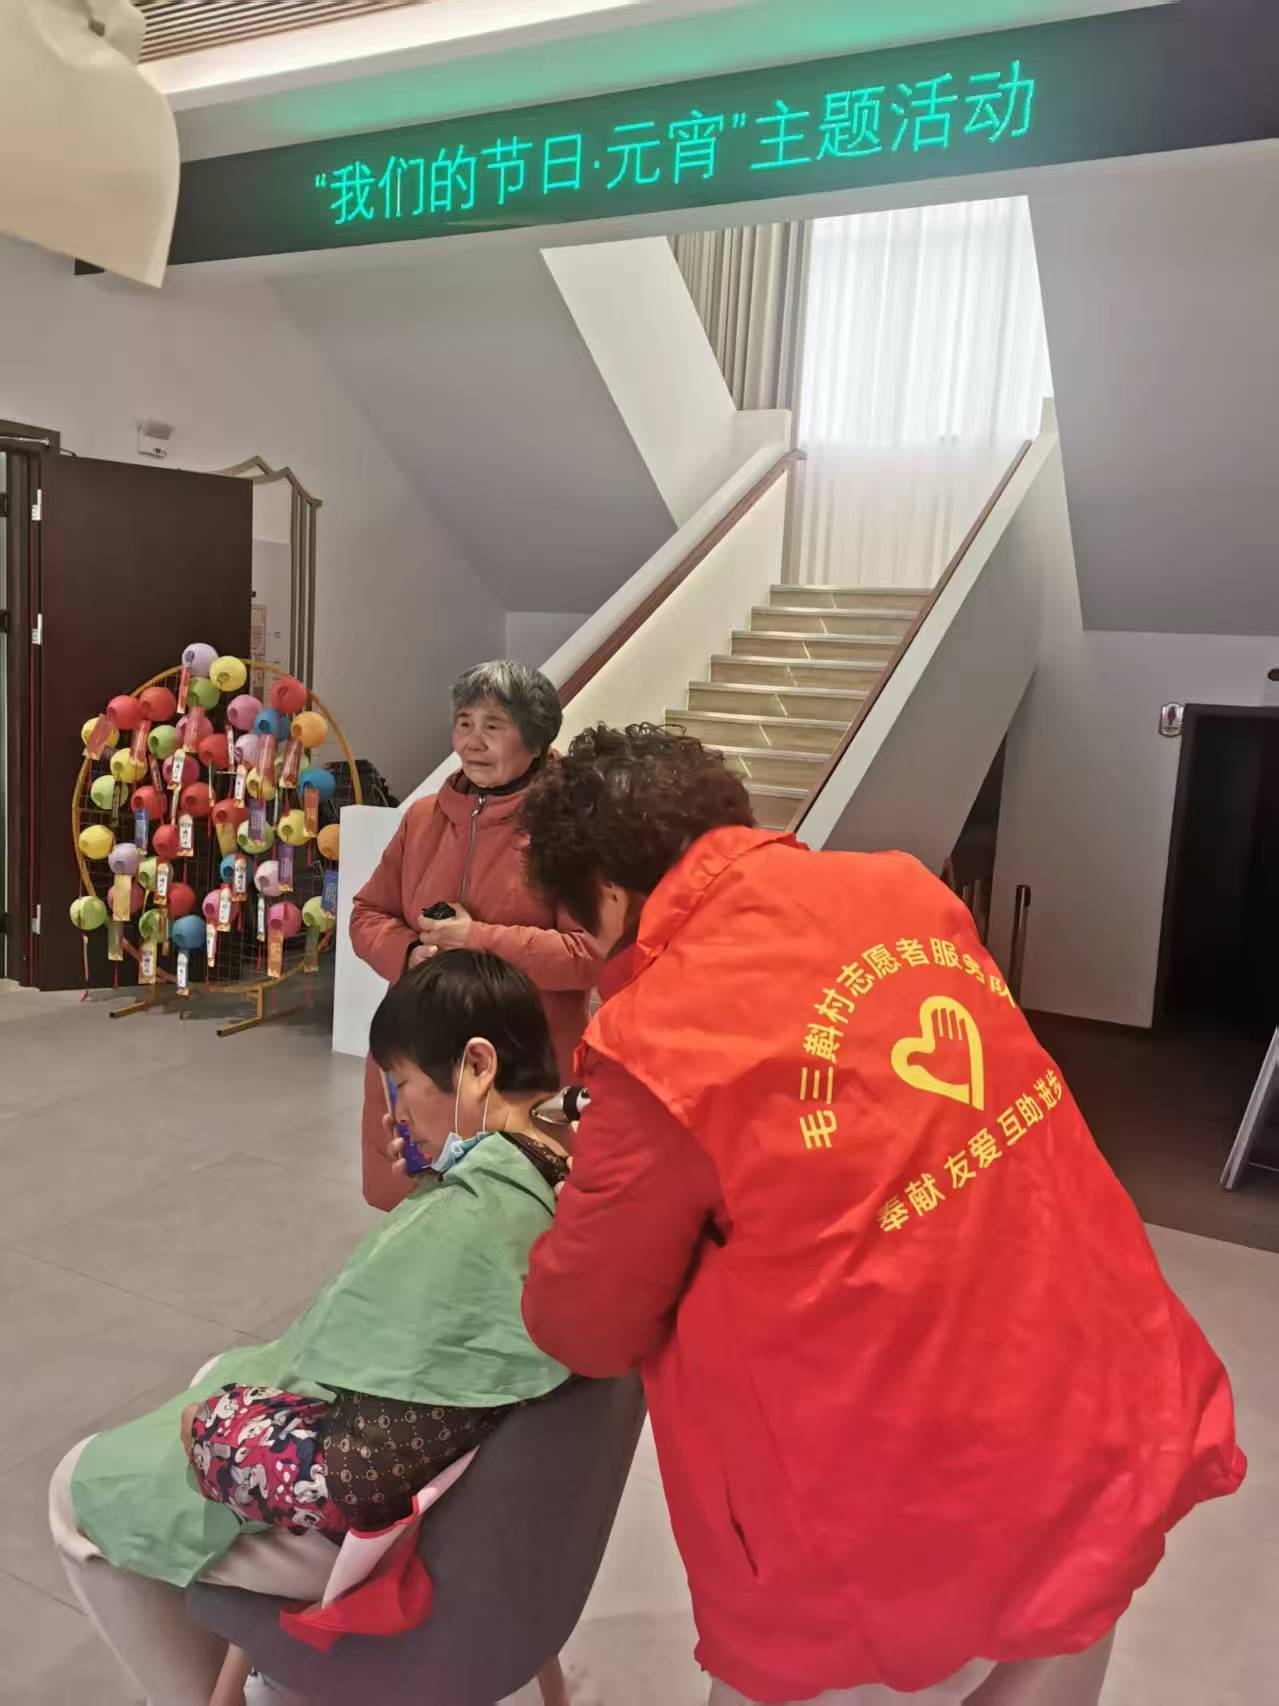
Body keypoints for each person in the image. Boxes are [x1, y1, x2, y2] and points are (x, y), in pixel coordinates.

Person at [514, 723, 1246, 1706]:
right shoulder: (902, 891)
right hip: (1094, 1398)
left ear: (607, 893)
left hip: (909, 1495)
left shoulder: (660, 1032)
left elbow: (586, 1322)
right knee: (1057, 1636)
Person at [51, 952, 575, 1706]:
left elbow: (355, 1477)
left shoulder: (476, 1221)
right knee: (221, 1370)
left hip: (391, 1529)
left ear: (477, 1066)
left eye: (401, 1085)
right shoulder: (564, 1173)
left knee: (83, 1488)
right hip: (478, 1497)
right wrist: (438, 1180)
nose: (395, 1114)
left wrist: (219, 1435)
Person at [351, 660, 599, 1210]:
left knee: (511, 1212)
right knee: (415, 1207)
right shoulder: (422, 818)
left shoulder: (568, 828)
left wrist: (476, 939)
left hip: (520, 1062)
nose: (472, 741)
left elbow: (587, 953)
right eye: (464, 723)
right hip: (419, 1056)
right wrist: (410, 953)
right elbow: (367, 913)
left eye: (493, 725)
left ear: (534, 738)